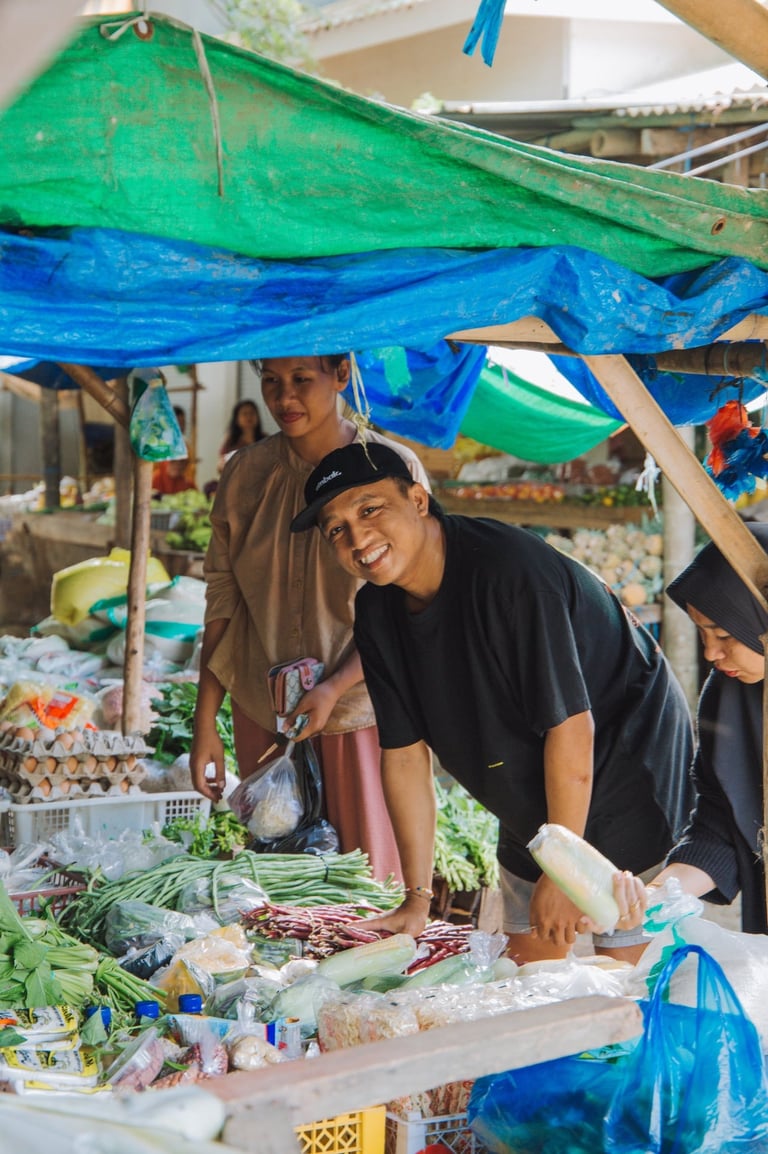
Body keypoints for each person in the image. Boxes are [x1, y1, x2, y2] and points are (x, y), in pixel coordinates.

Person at [289, 442, 696, 964]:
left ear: (418, 499)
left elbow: (571, 727)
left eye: (370, 509)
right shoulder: (377, 610)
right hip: (535, 793)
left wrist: (564, 871)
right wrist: (416, 899)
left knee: (620, 988)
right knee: (528, 978)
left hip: (626, 771)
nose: (357, 537)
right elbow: (404, 754)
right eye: (336, 529)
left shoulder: (510, 573)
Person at [189, 356, 430, 881]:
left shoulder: (391, 467)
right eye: (271, 382)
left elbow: (413, 601)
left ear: (341, 374)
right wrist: (205, 721)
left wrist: (335, 685)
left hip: (361, 710)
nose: (285, 398)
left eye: (302, 379)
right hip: (264, 711)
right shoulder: (244, 473)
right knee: (281, 883)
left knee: (366, 881)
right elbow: (223, 596)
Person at [615, 522, 768, 936]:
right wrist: (657, 895)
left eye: (724, 634)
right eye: (702, 632)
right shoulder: (728, 694)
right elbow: (722, 824)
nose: (711, 652)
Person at [151, 405, 196, 495]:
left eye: (183, 424)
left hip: (182, 492)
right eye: (177, 424)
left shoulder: (186, 445)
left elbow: (190, 471)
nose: (180, 428)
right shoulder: (157, 445)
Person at [217, 399, 265, 473]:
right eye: (245, 414)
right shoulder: (231, 440)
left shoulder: (265, 439)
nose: (249, 417)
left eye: (252, 413)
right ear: (236, 419)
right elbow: (220, 465)